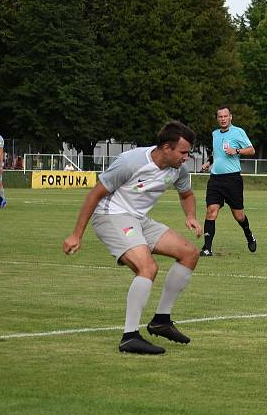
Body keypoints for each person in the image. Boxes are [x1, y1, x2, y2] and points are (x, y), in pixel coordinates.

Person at [63, 121, 202, 355]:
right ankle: (130, 337)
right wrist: (76, 234)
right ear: (166, 147)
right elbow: (95, 194)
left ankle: (161, 320)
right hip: (111, 216)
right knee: (148, 267)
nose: (186, 157)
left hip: (138, 220)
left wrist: (190, 216)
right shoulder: (131, 162)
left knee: (189, 253)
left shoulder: (178, 169)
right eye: (183, 152)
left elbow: (186, 194)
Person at [198, 105, 256, 257]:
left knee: (239, 216)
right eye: (220, 117)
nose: (223, 119)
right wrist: (209, 163)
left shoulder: (238, 132)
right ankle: (207, 248)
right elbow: (217, 154)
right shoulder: (215, 134)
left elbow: (251, 150)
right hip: (215, 179)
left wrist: (236, 151)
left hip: (232, 179)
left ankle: (249, 234)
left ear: (230, 117)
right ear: (217, 119)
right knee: (211, 211)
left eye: (225, 116)